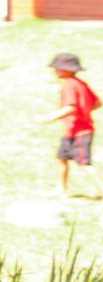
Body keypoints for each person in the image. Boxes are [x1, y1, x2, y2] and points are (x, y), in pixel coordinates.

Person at [43, 52, 99, 197]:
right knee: (62, 159)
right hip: (71, 131)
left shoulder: (69, 85)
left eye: (58, 68)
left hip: (80, 132)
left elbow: (71, 107)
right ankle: (62, 188)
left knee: (84, 163)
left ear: (66, 70)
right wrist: (85, 111)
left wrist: (50, 118)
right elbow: (97, 102)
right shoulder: (80, 84)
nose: (55, 71)